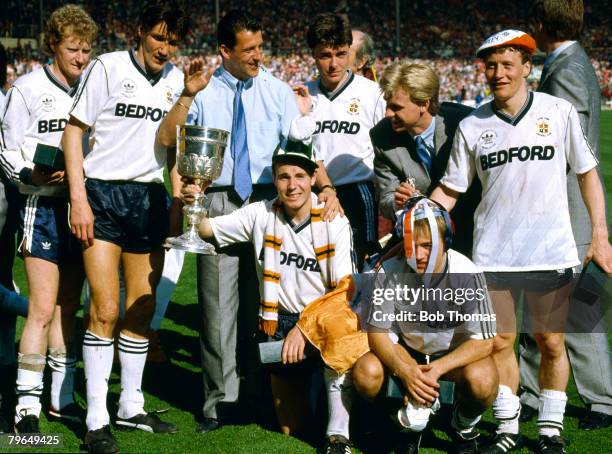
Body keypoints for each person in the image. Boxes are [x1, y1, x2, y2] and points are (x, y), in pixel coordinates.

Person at [157, 9, 339, 433]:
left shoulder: (276, 91)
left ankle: (260, 396)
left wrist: (325, 188)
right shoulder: (202, 91)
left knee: (265, 304)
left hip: (267, 203)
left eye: (261, 45)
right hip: (217, 201)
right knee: (217, 307)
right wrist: (183, 187)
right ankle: (219, 403)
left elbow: (300, 147)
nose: (260, 55)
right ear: (225, 51)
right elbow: (172, 144)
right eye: (250, 49)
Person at [430, 30, 611, 454]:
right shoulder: (473, 125)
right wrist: (419, 215)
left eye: (507, 65)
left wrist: (599, 234)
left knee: (551, 341)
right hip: (493, 254)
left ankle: (550, 430)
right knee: (499, 343)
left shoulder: (559, 111)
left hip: (551, 249)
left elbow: (587, 174)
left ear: (527, 68)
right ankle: (508, 428)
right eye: (491, 66)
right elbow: (451, 190)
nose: (498, 74)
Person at [61, 2, 188, 452]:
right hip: (102, 195)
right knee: (105, 309)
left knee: (141, 308)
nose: (164, 47)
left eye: (172, 41)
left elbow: (171, 148)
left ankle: (131, 405)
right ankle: (96, 418)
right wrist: (79, 198)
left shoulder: (176, 79)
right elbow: (73, 132)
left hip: (150, 198)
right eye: (158, 37)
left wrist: (175, 197)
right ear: (139, 32)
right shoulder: (108, 67)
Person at [182, 139, 356, 452]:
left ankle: (338, 430)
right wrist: (195, 202)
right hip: (280, 323)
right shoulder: (261, 213)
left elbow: (344, 289)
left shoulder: (334, 219)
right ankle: (314, 390)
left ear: (313, 178)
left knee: (339, 346)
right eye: (284, 177)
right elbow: (208, 229)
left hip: (322, 321)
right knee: (291, 428)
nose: (292, 186)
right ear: (274, 180)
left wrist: (306, 329)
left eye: (300, 176)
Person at [0, 5, 97, 433]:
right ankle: (26, 405)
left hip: (80, 206)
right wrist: (30, 173)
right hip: (40, 205)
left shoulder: (94, 87)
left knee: (68, 309)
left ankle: (61, 396)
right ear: (53, 44)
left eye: (87, 49)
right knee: (40, 307)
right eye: (73, 48)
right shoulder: (26, 88)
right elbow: (6, 148)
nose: (80, 57)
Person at [518, 0, 612, 431]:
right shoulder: (571, 63)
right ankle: (538, 392)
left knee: (574, 311)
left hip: (566, 210)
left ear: (540, 24)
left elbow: (564, 146)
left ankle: (599, 401)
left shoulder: (568, 71)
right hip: (566, 208)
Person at [352, 197, 497, 454]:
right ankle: (399, 421)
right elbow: (378, 333)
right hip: (406, 350)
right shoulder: (389, 270)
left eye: (427, 246)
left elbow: (484, 341)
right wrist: (405, 370)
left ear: (445, 241)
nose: (418, 255)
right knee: (366, 372)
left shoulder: (468, 272)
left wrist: (436, 370)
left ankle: (461, 425)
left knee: (484, 379)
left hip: (449, 356)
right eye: (411, 245)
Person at [291, 13, 386, 270]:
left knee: (361, 265)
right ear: (313, 54)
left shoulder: (372, 93)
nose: (334, 64)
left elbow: (386, 150)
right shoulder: (302, 95)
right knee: (315, 267)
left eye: (341, 54)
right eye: (325, 55)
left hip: (358, 192)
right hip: (314, 193)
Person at [371, 61, 478, 256]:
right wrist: (398, 202)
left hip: (473, 229)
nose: (388, 114)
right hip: (421, 237)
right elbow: (385, 200)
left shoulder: (465, 122)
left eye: (396, 107)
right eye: (387, 105)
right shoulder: (382, 136)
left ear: (423, 103)